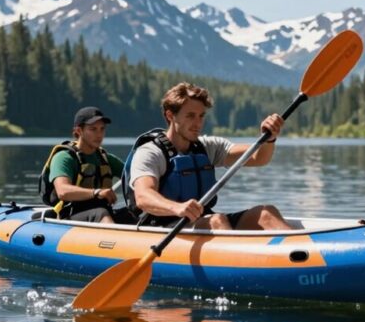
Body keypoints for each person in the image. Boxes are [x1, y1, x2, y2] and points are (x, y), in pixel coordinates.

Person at [124, 82, 291, 230]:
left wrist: (269, 139)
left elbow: (258, 158)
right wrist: (177, 208)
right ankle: (237, 262)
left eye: (201, 116)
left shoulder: (207, 147)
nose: (198, 123)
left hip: (201, 222)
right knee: (217, 220)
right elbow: (143, 196)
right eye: (190, 116)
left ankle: (303, 258)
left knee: (266, 213)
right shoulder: (150, 152)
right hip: (162, 228)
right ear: (170, 116)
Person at [39, 106, 124, 223]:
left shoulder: (106, 159)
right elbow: (63, 191)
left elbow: (134, 176)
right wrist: (96, 193)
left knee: (134, 213)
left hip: (101, 213)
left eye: (102, 129)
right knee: (101, 213)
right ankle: (115, 240)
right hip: (70, 216)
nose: (99, 134)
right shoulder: (64, 157)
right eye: (93, 129)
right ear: (79, 131)